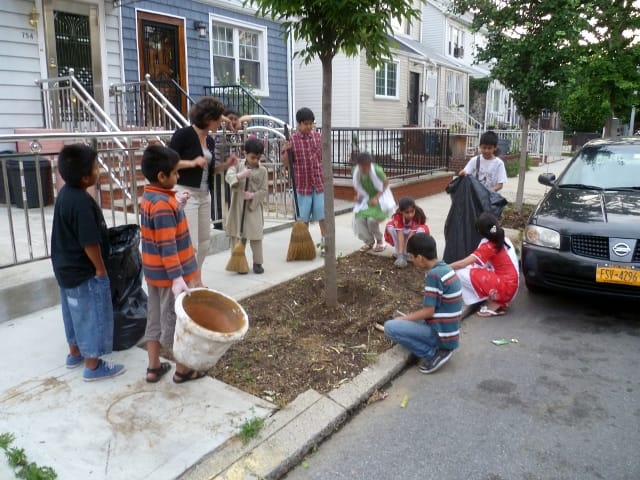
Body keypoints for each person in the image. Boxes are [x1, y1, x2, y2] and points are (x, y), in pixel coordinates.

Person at [51, 144, 126, 381]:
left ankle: (75, 352)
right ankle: (93, 366)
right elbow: (89, 242)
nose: (99, 171)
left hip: (65, 269)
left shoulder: (65, 194)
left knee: (73, 311)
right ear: (85, 177)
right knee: (92, 314)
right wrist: (100, 269)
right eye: (96, 167)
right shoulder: (81, 202)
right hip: (84, 271)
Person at [139, 144, 206, 384]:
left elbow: (160, 229)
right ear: (162, 176)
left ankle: (153, 367)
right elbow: (167, 245)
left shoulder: (151, 197)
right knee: (179, 323)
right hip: (171, 278)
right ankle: (183, 370)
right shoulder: (163, 206)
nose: (178, 177)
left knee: (154, 319)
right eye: (176, 173)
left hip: (154, 275)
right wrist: (178, 277)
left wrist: (178, 204)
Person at [376, 233, 462, 374]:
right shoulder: (445, 268)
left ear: (420, 258)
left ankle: (433, 353)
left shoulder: (433, 276)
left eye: (411, 257)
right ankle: (439, 347)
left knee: (390, 327)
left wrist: (403, 319)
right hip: (448, 330)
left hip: (441, 334)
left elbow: (428, 312)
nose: (411, 260)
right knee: (403, 319)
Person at [170, 96, 237, 269]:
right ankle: (188, 282)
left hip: (204, 194)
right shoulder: (183, 135)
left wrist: (226, 165)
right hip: (186, 193)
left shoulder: (210, 140)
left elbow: (210, 170)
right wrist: (192, 163)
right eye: (217, 120)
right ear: (208, 119)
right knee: (190, 244)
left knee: (204, 242)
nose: (220, 124)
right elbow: (168, 163)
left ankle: (196, 278)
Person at [449, 212, 519, 317]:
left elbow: (463, 263)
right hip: (513, 286)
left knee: (460, 272)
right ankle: (498, 299)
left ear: (480, 231)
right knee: (473, 267)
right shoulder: (504, 239)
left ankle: (495, 300)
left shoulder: (487, 246)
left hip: (505, 287)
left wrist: (442, 267)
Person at [280, 107, 326, 255]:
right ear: (299, 124)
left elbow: (323, 157)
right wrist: (286, 150)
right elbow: (285, 163)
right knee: (303, 219)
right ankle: (304, 245)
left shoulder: (318, 137)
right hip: (302, 186)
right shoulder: (292, 140)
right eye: (305, 124)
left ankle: (325, 242)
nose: (309, 126)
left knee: (322, 216)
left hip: (318, 184)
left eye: (311, 123)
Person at [225, 138, 269, 274]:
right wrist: (240, 175)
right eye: (252, 157)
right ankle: (239, 262)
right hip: (238, 206)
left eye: (258, 157)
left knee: (256, 235)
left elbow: (265, 190)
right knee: (238, 234)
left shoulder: (263, 171)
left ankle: (257, 262)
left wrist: (253, 196)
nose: (255, 160)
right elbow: (229, 175)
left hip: (253, 207)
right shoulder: (237, 165)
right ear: (245, 154)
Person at [352, 152, 396, 253]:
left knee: (371, 220)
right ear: (358, 165)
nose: (365, 168)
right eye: (362, 166)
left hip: (381, 199)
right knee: (358, 219)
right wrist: (358, 197)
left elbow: (386, 183)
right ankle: (369, 242)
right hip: (367, 199)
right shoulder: (356, 171)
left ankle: (380, 241)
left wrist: (376, 197)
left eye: (367, 165)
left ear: (370, 164)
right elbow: (358, 185)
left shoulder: (377, 170)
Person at [384, 197, 430, 268]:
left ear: (414, 209)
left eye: (412, 211)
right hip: (403, 232)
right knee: (390, 227)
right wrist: (400, 255)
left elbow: (411, 236)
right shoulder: (397, 216)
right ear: (401, 211)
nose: (410, 215)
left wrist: (405, 253)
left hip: (413, 233)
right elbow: (400, 234)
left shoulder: (417, 216)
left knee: (420, 230)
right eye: (407, 212)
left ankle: (414, 253)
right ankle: (398, 253)